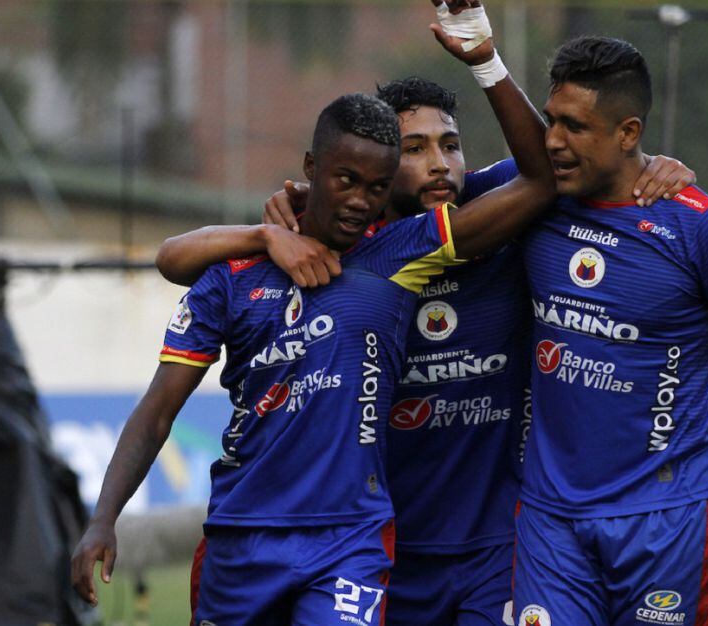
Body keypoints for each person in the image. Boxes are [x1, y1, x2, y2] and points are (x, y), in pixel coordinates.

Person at [156, 4, 696, 624]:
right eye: (414, 149)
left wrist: (646, 162)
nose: (440, 163)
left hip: (499, 544)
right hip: (388, 545)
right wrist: (267, 231)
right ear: (380, 174)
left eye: (451, 144)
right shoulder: (359, 248)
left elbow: (551, 171)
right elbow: (175, 257)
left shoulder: (492, 208)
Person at [71, 56, 557, 623]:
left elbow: (541, 177)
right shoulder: (234, 272)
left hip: (351, 541)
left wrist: (483, 55)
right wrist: (104, 518)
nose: (359, 199)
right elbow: (158, 402)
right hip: (240, 536)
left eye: (375, 186)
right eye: (346, 181)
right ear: (310, 169)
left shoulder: (401, 252)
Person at [512, 35, 708, 626]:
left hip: (667, 517)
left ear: (628, 133)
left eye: (574, 126)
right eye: (550, 121)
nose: (552, 141)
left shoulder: (705, 231)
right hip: (551, 517)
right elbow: (427, 193)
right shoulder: (530, 199)